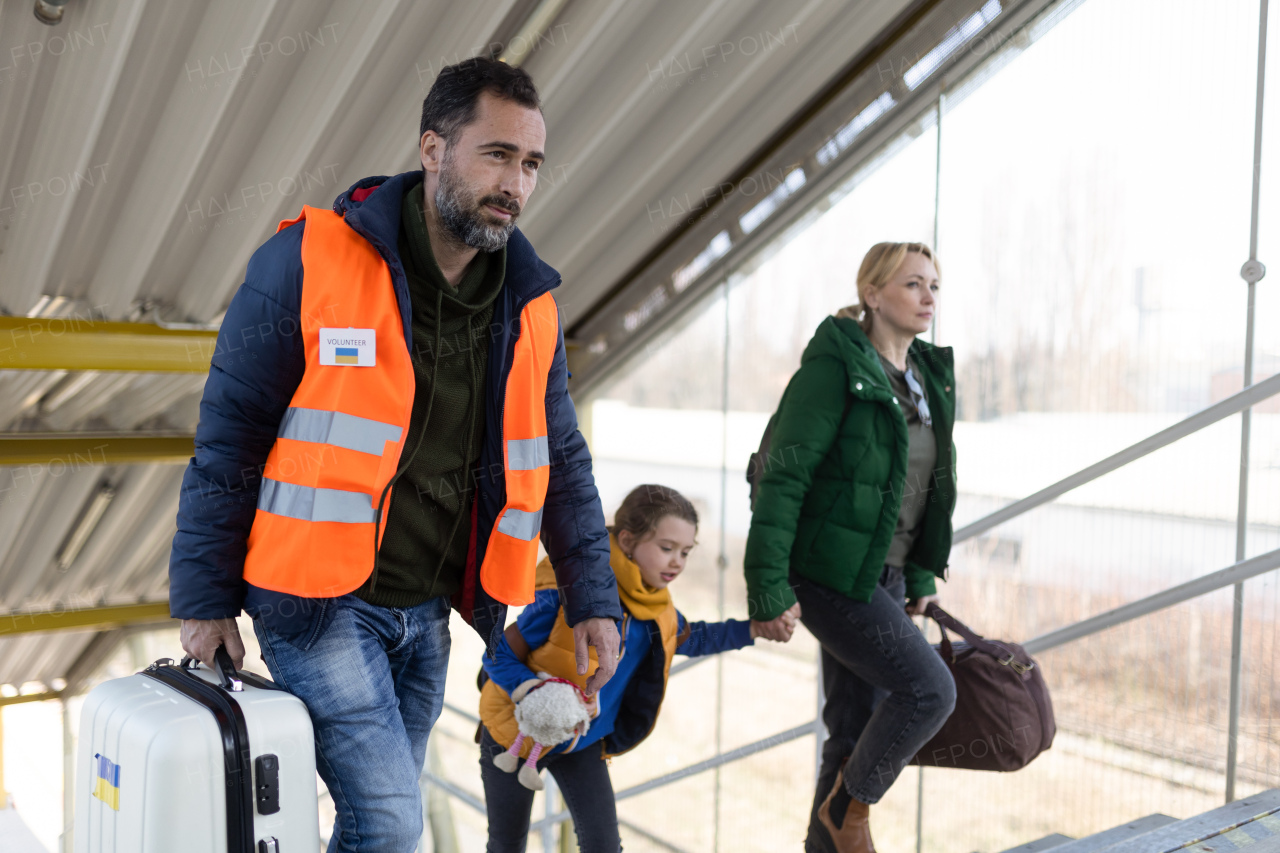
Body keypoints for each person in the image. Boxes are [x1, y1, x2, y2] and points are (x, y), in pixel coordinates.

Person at [168, 57, 624, 852]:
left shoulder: (531, 303)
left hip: (429, 612)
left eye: (531, 163)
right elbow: (231, 434)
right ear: (432, 148)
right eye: (496, 154)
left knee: (377, 824)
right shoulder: (309, 260)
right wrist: (203, 597)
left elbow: (563, 459)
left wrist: (594, 596)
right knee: (389, 823)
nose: (515, 182)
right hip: (313, 602)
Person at [743, 242, 959, 853]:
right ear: (872, 293)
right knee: (929, 691)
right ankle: (849, 809)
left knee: (850, 730)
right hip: (829, 572)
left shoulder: (926, 377)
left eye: (935, 286)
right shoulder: (834, 367)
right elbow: (783, 476)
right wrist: (768, 586)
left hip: (883, 571)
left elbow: (926, 486)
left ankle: (829, 837)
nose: (928, 298)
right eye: (913, 284)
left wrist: (919, 577)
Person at [477, 484, 801, 852]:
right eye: (666, 549)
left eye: (685, 552)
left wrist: (754, 629)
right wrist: (531, 689)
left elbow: (692, 639)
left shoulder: (658, 613)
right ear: (627, 540)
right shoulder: (569, 592)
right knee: (507, 844)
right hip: (512, 731)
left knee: (604, 845)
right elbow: (496, 653)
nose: (677, 562)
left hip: (584, 739)